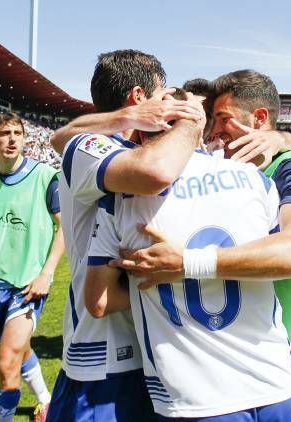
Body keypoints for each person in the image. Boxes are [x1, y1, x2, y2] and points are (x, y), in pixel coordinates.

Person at [115, 70, 291, 422]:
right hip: (248, 356)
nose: (213, 132)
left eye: (223, 120)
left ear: (259, 120)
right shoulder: (229, 172)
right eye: (211, 121)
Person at [85, 102, 291, 420]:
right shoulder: (254, 179)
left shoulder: (121, 199)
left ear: (143, 134)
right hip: (278, 385)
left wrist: (156, 288)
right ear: (199, 131)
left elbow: (100, 301)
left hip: (196, 398)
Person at [45, 50, 207, 422]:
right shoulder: (92, 147)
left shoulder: (132, 146)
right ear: (138, 97)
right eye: (161, 95)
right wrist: (188, 121)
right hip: (102, 363)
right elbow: (154, 172)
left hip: (157, 352)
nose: (168, 103)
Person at [0, 112, 65, 422]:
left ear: (25, 138)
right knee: (18, 350)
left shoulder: (45, 176)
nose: (11, 139)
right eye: (4, 133)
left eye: (17, 133)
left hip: (27, 285)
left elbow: (65, 227)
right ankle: (47, 401)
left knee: (6, 362)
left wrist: (46, 274)